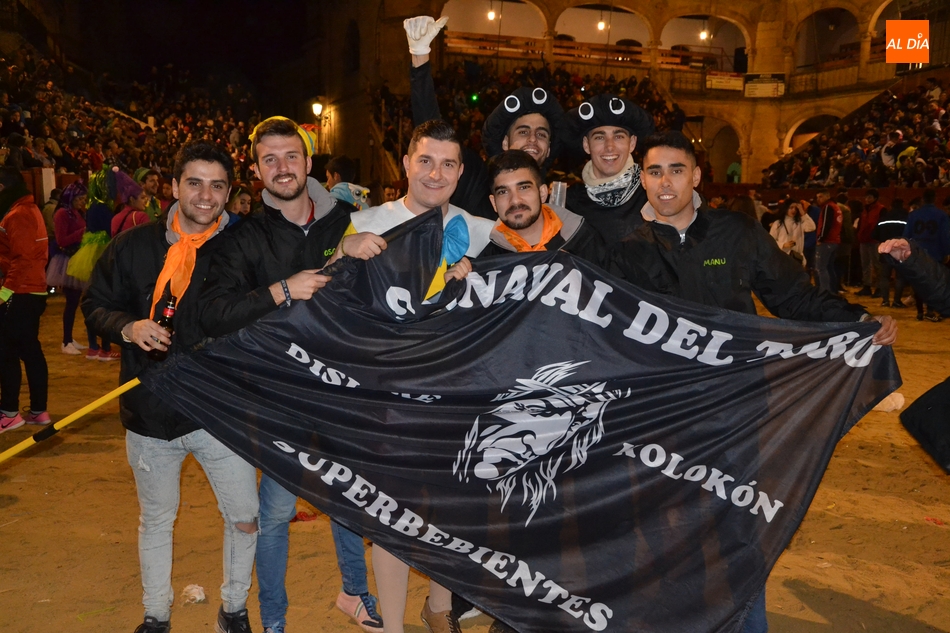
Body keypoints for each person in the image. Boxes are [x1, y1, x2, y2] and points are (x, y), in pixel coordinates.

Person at [608, 130, 897, 633]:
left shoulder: (737, 232)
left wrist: (857, 319)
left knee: (740, 532)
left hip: (738, 412)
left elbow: (794, 296)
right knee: (667, 538)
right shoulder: (627, 250)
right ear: (642, 180)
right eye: (654, 172)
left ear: (697, 176)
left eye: (676, 170)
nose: (666, 182)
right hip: (666, 419)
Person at [199, 116, 383, 633]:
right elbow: (214, 313)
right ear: (256, 171)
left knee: (349, 500)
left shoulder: (349, 220)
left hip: (342, 390)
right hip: (279, 397)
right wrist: (280, 290)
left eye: (291, 156)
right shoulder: (241, 238)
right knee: (277, 512)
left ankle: (355, 593)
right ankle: (274, 621)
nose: (282, 168)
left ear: (308, 161)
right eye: (270, 159)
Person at [83, 141, 258, 633]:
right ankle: (156, 615)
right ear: (175, 186)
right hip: (150, 412)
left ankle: (233, 609)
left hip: (220, 413)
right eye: (195, 183)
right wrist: (128, 327)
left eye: (217, 186)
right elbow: (95, 304)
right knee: (156, 520)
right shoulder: (133, 246)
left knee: (245, 516)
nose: (205, 196)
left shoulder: (242, 249)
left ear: (229, 192)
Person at [337, 118, 493, 633]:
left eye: (448, 164)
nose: (435, 173)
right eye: (425, 161)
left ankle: (439, 609)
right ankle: (394, 627)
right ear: (406, 164)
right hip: (385, 395)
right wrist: (343, 252)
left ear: (461, 172)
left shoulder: (480, 230)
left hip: (456, 393)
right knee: (392, 513)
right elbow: (327, 296)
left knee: (447, 510)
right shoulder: (368, 222)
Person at [404, 15, 564, 219]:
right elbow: (433, 134)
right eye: (523, 132)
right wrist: (420, 57)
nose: (533, 139)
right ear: (505, 142)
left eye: (541, 134)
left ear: (548, 148)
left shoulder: (560, 201)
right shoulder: (476, 180)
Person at [562, 93, 655, 246]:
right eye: (599, 137)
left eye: (619, 137)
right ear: (586, 144)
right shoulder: (568, 204)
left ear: (632, 143)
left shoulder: (653, 196)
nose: (610, 146)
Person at [481, 149, 603, 262]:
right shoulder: (489, 259)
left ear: (542, 193)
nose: (515, 201)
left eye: (524, 188)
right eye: (503, 192)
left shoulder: (583, 242)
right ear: (494, 203)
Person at [0, 166, 50, 431]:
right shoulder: (26, 209)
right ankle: (38, 411)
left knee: (7, 352)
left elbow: (22, 258)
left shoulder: (18, 214)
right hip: (29, 290)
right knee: (29, 350)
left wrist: (4, 293)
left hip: (21, 292)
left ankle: (9, 413)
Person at [47, 180, 89, 355]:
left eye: (83, 199)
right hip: (66, 260)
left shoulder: (75, 213)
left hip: (75, 258)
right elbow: (61, 240)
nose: (82, 202)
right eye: (79, 199)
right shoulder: (62, 214)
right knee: (71, 302)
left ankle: (69, 338)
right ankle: (66, 341)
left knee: (74, 301)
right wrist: (82, 232)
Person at [903, 188, 950, 321]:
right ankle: (929, 310)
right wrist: (946, 252)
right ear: (935, 199)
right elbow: (945, 236)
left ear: (922, 200)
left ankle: (919, 311)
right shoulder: (941, 215)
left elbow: (906, 235)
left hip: (918, 253)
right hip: (935, 253)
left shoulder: (913, 215)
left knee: (918, 282)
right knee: (933, 283)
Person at [873, 198, 909, 308]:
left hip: (886, 250)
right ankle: (897, 301)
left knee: (884, 276)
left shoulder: (884, 218)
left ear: (891, 206)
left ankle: (885, 301)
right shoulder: (906, 218)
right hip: (900, 252)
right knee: (900, 277)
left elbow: (874, 235)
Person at [769, 200, 815, 267]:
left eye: (796, 208)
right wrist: (783, 245)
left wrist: (802, 212)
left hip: (797, 258)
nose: (794, 210)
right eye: (791, 208)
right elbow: (771, 241)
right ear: (786, 208)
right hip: (783, 258)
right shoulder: (778, 223)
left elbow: (812, 227)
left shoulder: (800, 222)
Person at [855, 189, 884, 297]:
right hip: (864, 240)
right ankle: (867, 286)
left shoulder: (881, 209)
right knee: (865, 264)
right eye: (866, 197)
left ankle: (879, 287)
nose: (867, 199)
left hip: (874, 241)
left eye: (870, 197)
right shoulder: (865, 210)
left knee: (877, 265)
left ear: (875, 198)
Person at [814, 189, 842, 293]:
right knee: (829, 267)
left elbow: (826, 224)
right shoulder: (836, 207)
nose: (818, 199)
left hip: (827, 241)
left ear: (827, 196)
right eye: (817, 197)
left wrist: (821, 238)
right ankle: (832, 291)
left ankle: (824, 292)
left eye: (820, 196)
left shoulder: (828, 207)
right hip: (834, 241)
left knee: (821, 268)